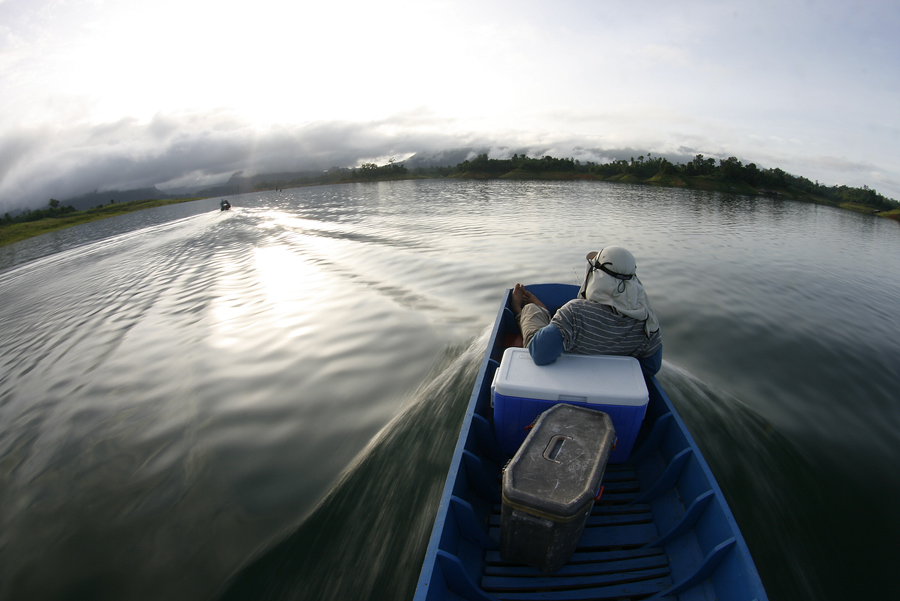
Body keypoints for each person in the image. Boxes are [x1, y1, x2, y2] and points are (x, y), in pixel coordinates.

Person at [512, 246, 663, 375]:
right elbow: (651, 368)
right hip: (610, 384)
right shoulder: (647, 322)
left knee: (532, 311)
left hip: (566, 376)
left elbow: (539, 353)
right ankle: (548, 317)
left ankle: (525, 313)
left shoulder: (575, 313)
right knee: (561, 318)